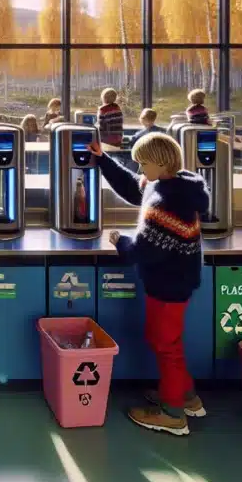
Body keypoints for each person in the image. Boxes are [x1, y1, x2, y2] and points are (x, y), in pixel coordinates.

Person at [88, 132, 209, 437]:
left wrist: (120, 241)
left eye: (143, 164)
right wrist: (103, 160)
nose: (140, 170)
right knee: (169, 342)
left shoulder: (166, 205)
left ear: (161, 163)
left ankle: (172, 413)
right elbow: (134, 187)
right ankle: (185, 395)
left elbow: (141, 251)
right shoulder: (174, 185)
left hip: (167, 285)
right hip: (177, 281)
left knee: (164, 344)